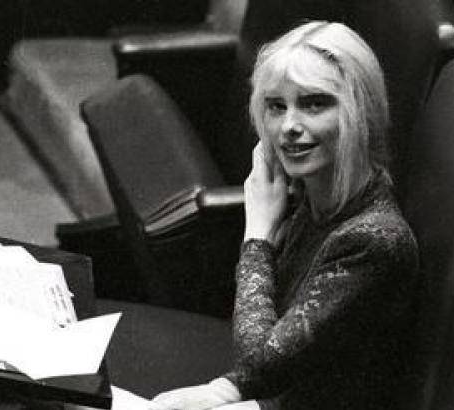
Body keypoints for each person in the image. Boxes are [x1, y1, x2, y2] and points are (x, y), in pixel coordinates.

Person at [151, 21, 419, 410]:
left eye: (314, 104)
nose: (289, 127)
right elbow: (276, 361)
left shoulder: (373, 241)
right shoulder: (316, 200)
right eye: (276, 106)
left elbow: (259, 365)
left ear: (361, 112)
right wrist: (221, 391)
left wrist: (257, 236)